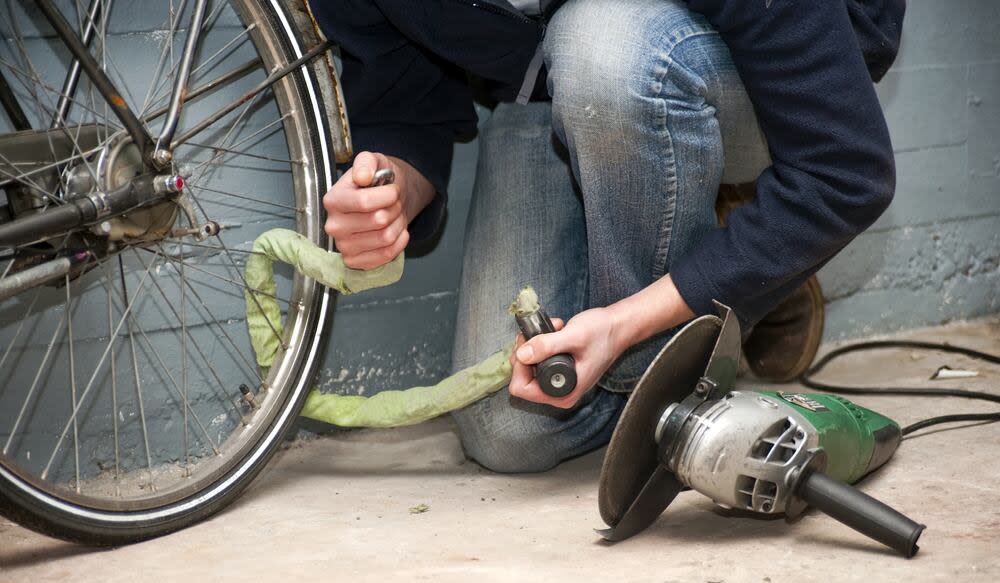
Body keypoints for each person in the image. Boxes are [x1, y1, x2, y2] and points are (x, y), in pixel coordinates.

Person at [309, 0, 905, 472]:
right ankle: (734, 261)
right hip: (548, 90)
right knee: (510, 429)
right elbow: (407, 112)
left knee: (606, 49)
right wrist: (390, 196)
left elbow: (844, 170)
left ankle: (728, 275)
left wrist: (625, 325)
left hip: (727, 69)